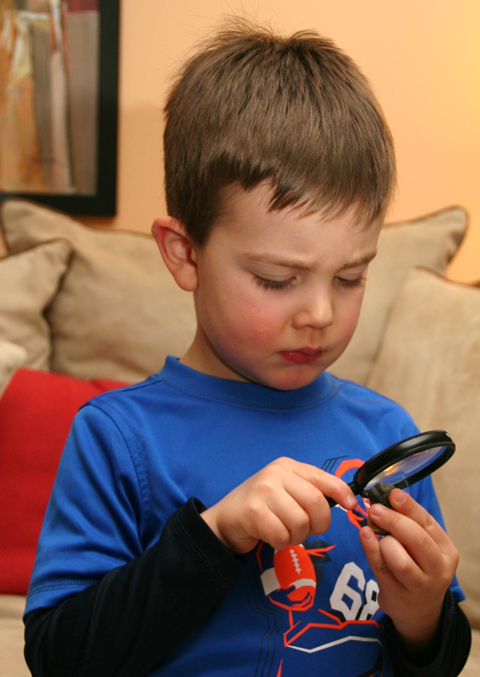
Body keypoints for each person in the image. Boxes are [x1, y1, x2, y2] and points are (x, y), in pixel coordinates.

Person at [24, 18, 471, 677]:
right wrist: (215, 535)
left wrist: (425, 612)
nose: (319, 313)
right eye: (276, 279)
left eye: (351, 276)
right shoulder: (118, 437)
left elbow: (433, 660)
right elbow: (61, 657)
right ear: (185, 255)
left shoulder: (386, 431)